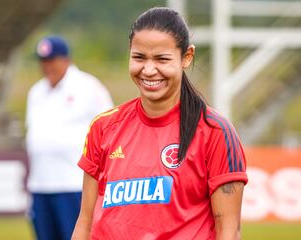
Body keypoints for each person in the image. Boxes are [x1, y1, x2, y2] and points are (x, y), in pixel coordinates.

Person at [72, 7, 248, 240]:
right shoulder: (103, 127)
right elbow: (85, 221)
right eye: (139, 57)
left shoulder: (215, 131)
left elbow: (229, 231)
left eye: (162, 59)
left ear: (187, 57)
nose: (149, 69)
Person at [25, 35, 113, 240]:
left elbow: (109, 129)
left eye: (52, 60)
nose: (47, 67)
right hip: (41, 183)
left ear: (66, 60)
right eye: (43, 61)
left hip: (74, 183)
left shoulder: (88, 86)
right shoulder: (36, 92)